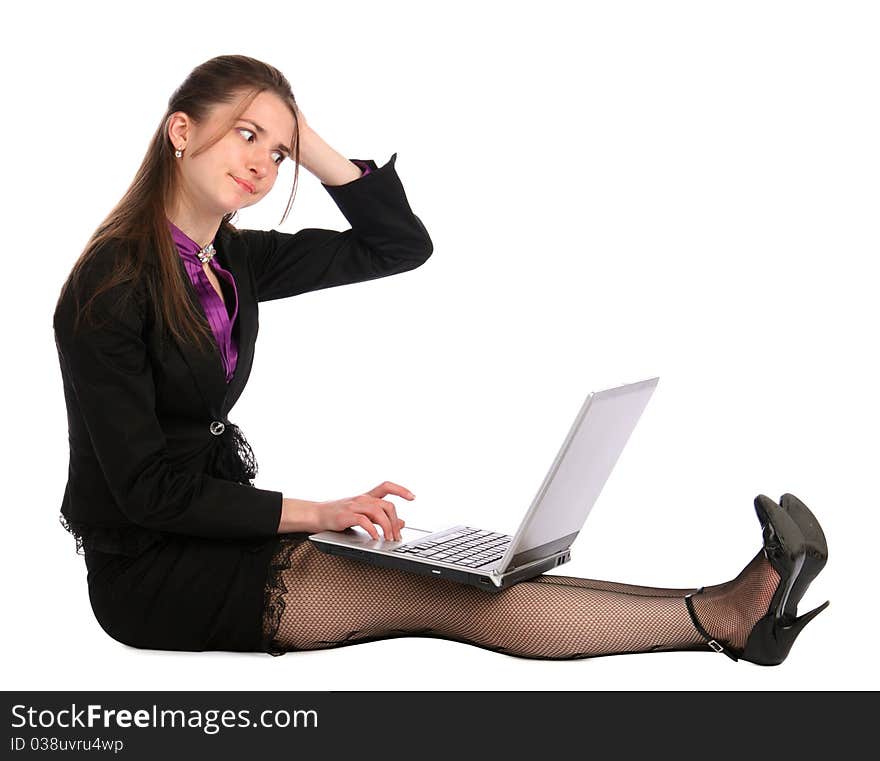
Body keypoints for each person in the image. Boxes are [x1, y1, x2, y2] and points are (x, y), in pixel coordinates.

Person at [53, 54, 829, 665]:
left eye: (277, 153)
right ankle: (727, 617)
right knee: (453, 599)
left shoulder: (235, 259)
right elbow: (148, 492)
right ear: (180, 130)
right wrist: (320, 511)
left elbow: (397, 245)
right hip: (150, 573)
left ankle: (727, 608)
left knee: (464, 571)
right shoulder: (108, 286)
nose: (263, 163)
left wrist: (305, 137)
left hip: (223, 530)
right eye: (244, 135)